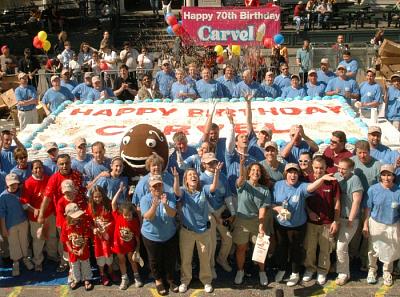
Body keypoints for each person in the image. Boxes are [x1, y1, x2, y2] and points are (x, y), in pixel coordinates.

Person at [272, 163, 336, 286]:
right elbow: (272, 203)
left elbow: (311, 187)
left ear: (298, 175)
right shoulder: (277, 185)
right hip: (281, 224)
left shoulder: (301, 186)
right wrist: (278, 209)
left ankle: (295, 273)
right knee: (282, 248)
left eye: (295, 172)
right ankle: (282, 269)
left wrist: (322, 179)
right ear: (286, 174)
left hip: (298, 225)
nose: (293, 175)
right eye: (290, 172)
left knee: (296, 249)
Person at [173, 167, 216, 293]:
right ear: (186, 180)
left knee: (204, 258)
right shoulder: (183, 191)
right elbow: (176, 192)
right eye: (190, 175)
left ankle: (206, 281)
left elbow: (213, 187)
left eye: (195, 174)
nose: (193, 176)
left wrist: (217, 173)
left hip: (203, 232)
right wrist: (176, 178)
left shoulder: (204, 190)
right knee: (186, 259)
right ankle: (185, 281)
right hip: (187, 232)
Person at [303, 157, 340, 285]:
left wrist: (335, 221)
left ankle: (322, 271)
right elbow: (304, 201)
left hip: (327, 222)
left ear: (325, 168)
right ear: (312, 167)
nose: (318, 170)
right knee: (310, 248)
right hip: (310, 222)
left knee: (326, 249)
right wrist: (309, 212)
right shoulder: (307, 180)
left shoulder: (333, 182)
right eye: (316, 167)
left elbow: (337, 202)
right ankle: (310, 269)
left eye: (321, 168)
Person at [234, 157, 271, 286]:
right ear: (249, 173)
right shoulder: (243, 185)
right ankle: (240, 271)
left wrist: (261, 226)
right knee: (241, 248)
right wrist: (242, 164)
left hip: (256, 221)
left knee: (260, 247)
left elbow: (262, 209)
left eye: (258, 170)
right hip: (241, 221)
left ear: (261, 174)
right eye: (253, 170)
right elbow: (240, 179)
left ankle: (262, 271)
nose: (256, 172)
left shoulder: (265, 190)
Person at [363, 164, 400, 287]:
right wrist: (365, 225)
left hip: (393, 224)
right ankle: (372, 270)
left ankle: (387, 272)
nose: (386, 177)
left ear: (393, 176)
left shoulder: (398, 191)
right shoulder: (373, 189)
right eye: (384, 174)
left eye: (389, 175)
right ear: (380, 176)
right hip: (376, 223)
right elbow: (368, 208)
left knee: (390, 249)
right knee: (373, 249)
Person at [140, 175, 178, 296]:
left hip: (169, 235)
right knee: (154, 260)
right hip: (151, 236)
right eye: (154, 186)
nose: (157, 187)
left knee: (170, 258)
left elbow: (172, 214)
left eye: (159, 185)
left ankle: (170, 279)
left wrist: (165, 204)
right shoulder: (145, 199)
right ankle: (158, 280)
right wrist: (154, 205)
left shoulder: (169, 196)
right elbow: (147, 217)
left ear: (162, 185)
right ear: (149, 188)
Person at [200, 153, 235, 278]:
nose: (212, 165)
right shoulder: (201, 179)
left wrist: (233, 212)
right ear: (203, 164)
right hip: (208, 213)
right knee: (212, 242)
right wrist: (215, 215)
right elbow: (204, 201)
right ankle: (211, 265)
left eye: (214, 162)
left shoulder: (223, 177)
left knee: (228, 238)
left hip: (220, 210)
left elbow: (228, 196)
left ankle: (221, 259)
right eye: (209, 163)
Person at [334, 158, 364, 286]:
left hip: (349, 219)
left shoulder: (355, 180)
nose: (340, 171)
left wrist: (351, 219)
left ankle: (344, 273)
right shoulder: (337, 177)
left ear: (351, 169)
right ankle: (338, 267)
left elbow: (356, 200)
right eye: (339, 168)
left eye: (344, 169)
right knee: (336, 246)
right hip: (337, 218)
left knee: (341, 247)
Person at [0, 173, 34, 276]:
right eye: (11, 184)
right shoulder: (3, 196)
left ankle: (25, 259)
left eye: (15, 184)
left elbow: (26, 205)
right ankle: (16, 263)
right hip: (11, 225)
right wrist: (4, 228)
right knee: (13, 244)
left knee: (24, 242)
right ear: (6, 185)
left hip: (23, 222)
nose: (14, 186)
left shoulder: (21, 193)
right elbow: (2, 214)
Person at [20, 160, 51, 272]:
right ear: (32, 170)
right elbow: (24, 202)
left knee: (51, 238)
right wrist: (34, 210)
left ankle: (52, 258)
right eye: (35, 168)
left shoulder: (48, 179)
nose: (38, 170)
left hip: (49, 215)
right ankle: (37, 261)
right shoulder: (28, 183)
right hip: (35, 218)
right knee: (38, 240)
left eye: (40, 167)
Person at [111, 183, 142, 290]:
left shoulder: (134, 222)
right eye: (126, 215)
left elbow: (137, 237)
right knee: (121, 261)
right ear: (121, 214)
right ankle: (124, 278)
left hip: (130, 246)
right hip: (118, 245)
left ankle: (136, 276)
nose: (127, 217)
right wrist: (119, 191)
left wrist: (137, 249)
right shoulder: (118, 217)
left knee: (132, 260)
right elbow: (113, 203)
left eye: (129, 215)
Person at [61, 202, 93, 290]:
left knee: (85, 264)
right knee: (74, 265)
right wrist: (70, 249)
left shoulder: (82, 222)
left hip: (83, 249)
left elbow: (86, 237)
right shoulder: (65, 225)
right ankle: (76, 279)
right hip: (73, 250)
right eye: (75, 217)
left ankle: (87, 278)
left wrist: (82, 248)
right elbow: (65, 239)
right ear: (68, 216)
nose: (78, 218)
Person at [87, 186, 114, 286]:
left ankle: (111, 272)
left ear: (103, 195)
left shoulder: (108, 204)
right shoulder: (90, 206)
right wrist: (93, 228)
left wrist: (108, 226)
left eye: (99, 196)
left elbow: (114, 219)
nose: (97, 199)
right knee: (100, 256)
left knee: (109, 255)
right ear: (92, 197)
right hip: (97, 237)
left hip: (107, 235)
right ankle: (102, 274)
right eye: (95, 197)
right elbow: (88, 222)